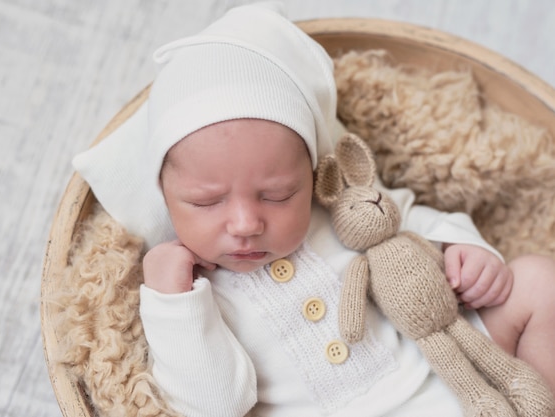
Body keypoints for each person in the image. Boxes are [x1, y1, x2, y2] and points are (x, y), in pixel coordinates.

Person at [73, 3, 555, 416]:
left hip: (455, 370)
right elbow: (214, 404)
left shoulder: (340, 212)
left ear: (313, 176)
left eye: (277, 194)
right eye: (206, 201)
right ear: (164, 198)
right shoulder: (197, 294)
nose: (245, 224)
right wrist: (173, 300)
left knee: (537, 281)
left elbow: (406, 220)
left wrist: (462, 250)